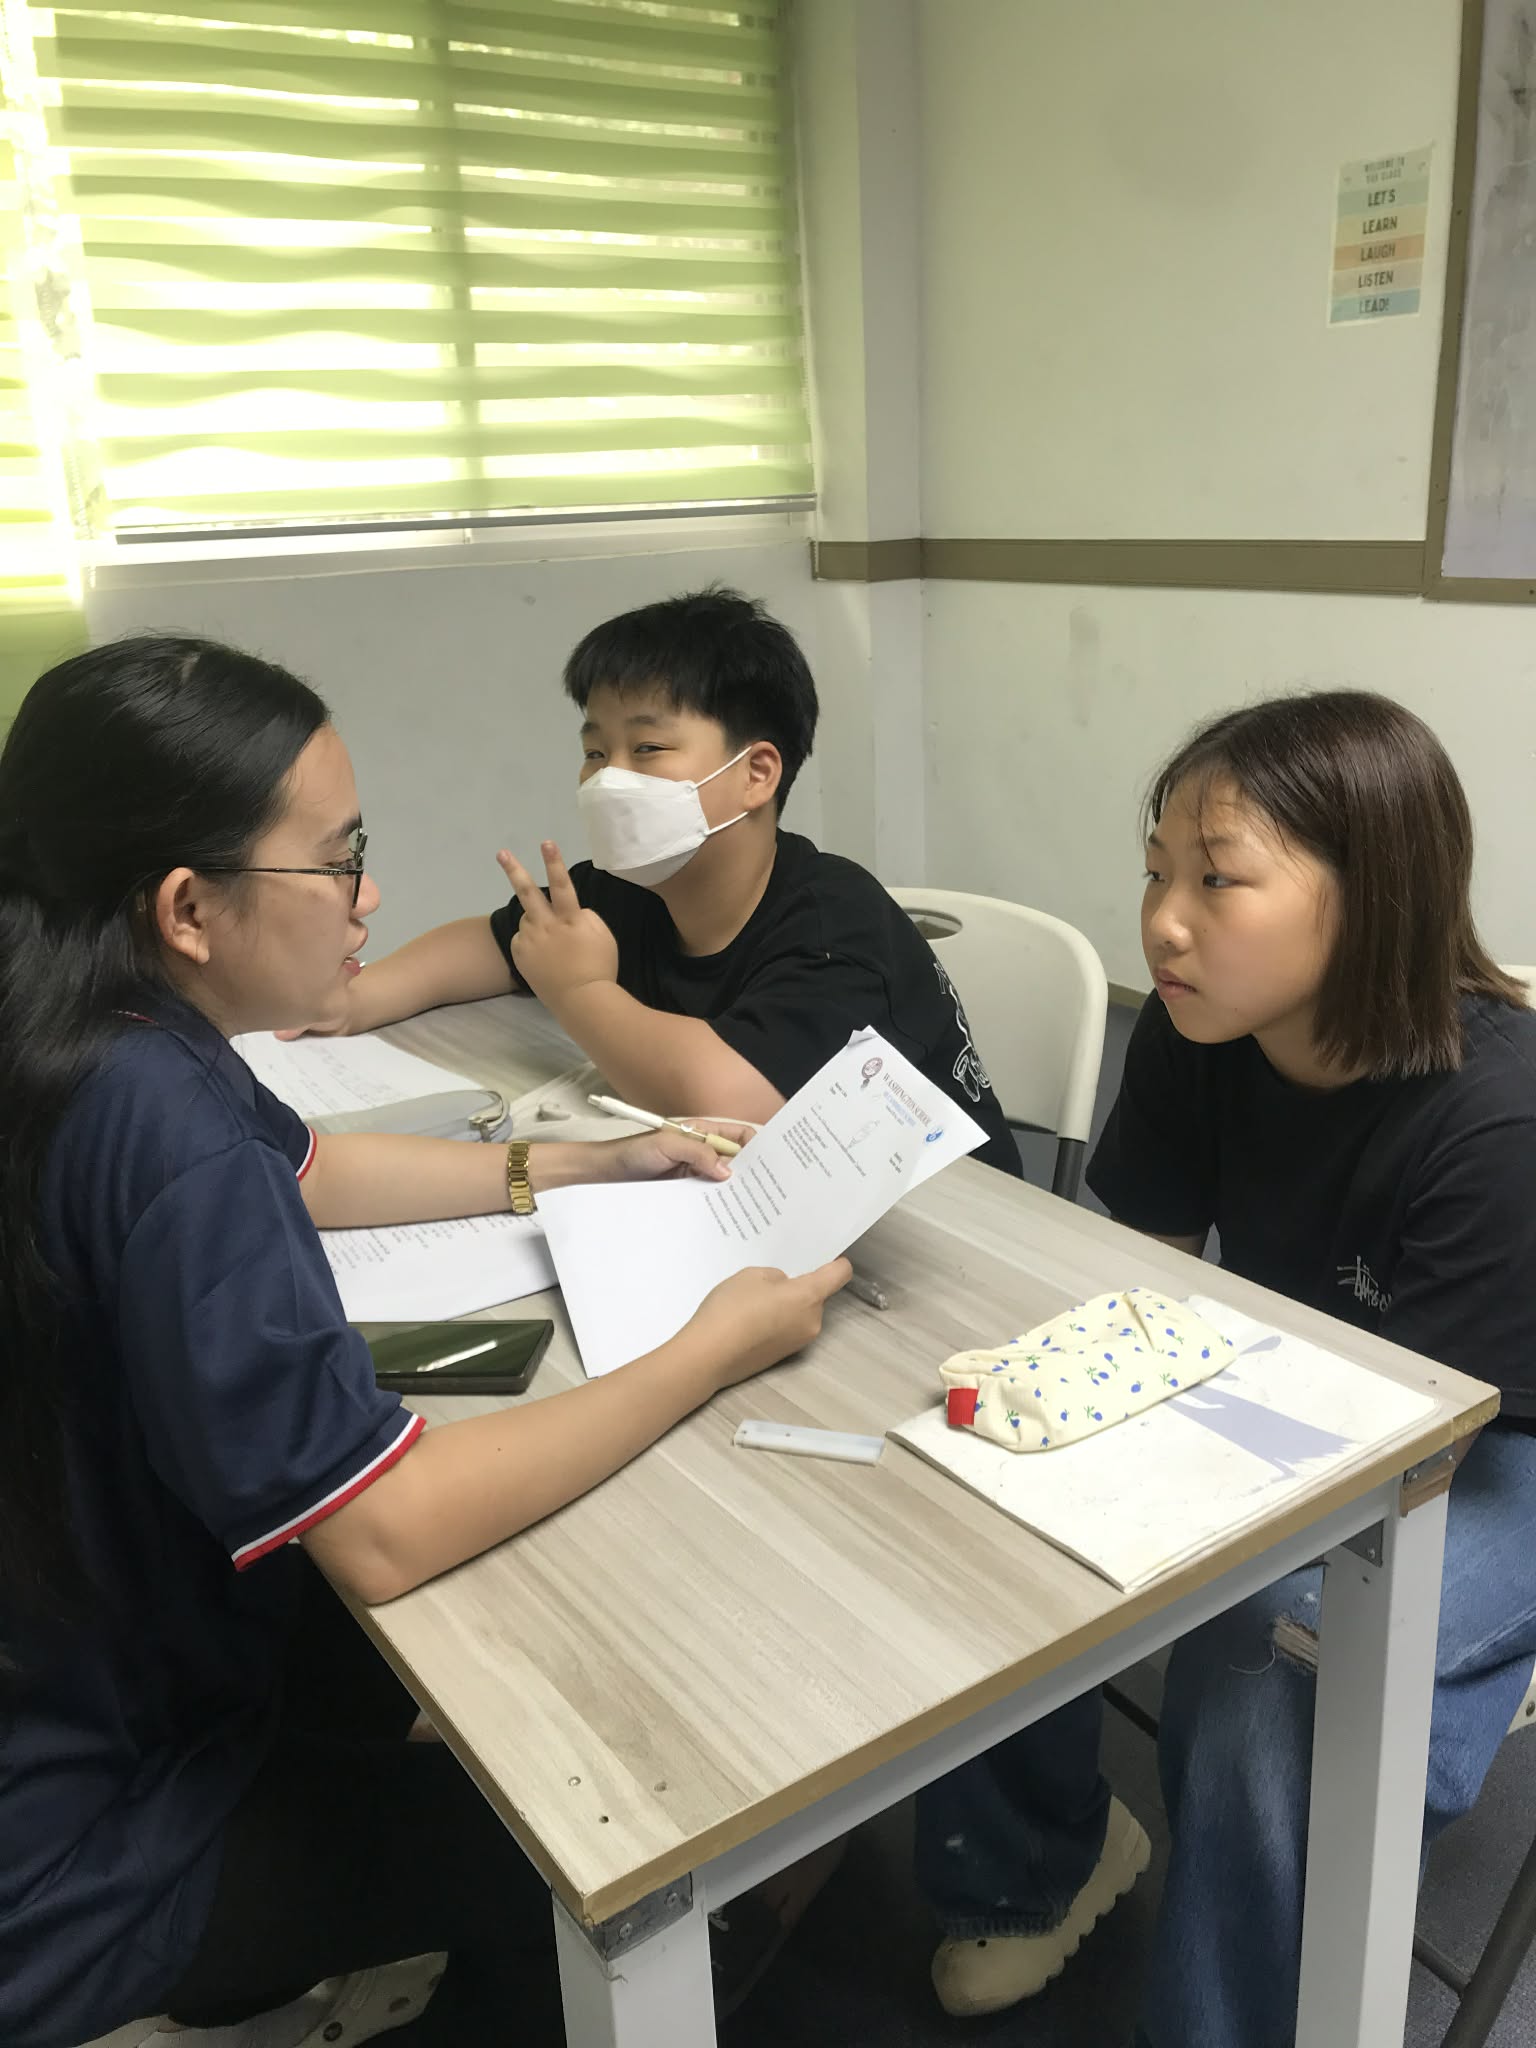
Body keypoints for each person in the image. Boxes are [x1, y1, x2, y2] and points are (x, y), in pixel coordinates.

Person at [0, 637, 849, 2048]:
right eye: (340, 859)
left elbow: (311, 1169)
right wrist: (710, 1346)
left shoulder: (89, 1025)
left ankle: (284, 1941)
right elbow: (386, 1528)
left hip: (88, 1655)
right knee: (609, 1837)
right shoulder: (166, 1132)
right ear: (188, 906)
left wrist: (574, 1166)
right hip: (76, 1848)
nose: (369, 895)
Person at [915, 690, 1536, 2048]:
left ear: (1371, 894)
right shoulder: (1203, 1027)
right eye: (1156, 872)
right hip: (1291, 1385)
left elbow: (1416, 1460)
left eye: (1216, 880)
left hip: (1485, 1449)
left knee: (1284, 1640)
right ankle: (1036, 1867)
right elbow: (1134, 1285)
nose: (1163, 921)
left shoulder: (1498, 1117)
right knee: (985, 1471)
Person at [292, 587, 1019, 1174]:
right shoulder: (629, 887)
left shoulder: (836, 921)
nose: (609, 778)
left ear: (756, 774)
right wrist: (353, 1001)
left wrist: (580, 991)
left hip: (951, 1218)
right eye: (595, 751)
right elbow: (491, 944)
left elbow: (729, 1101)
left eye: (647, 748)